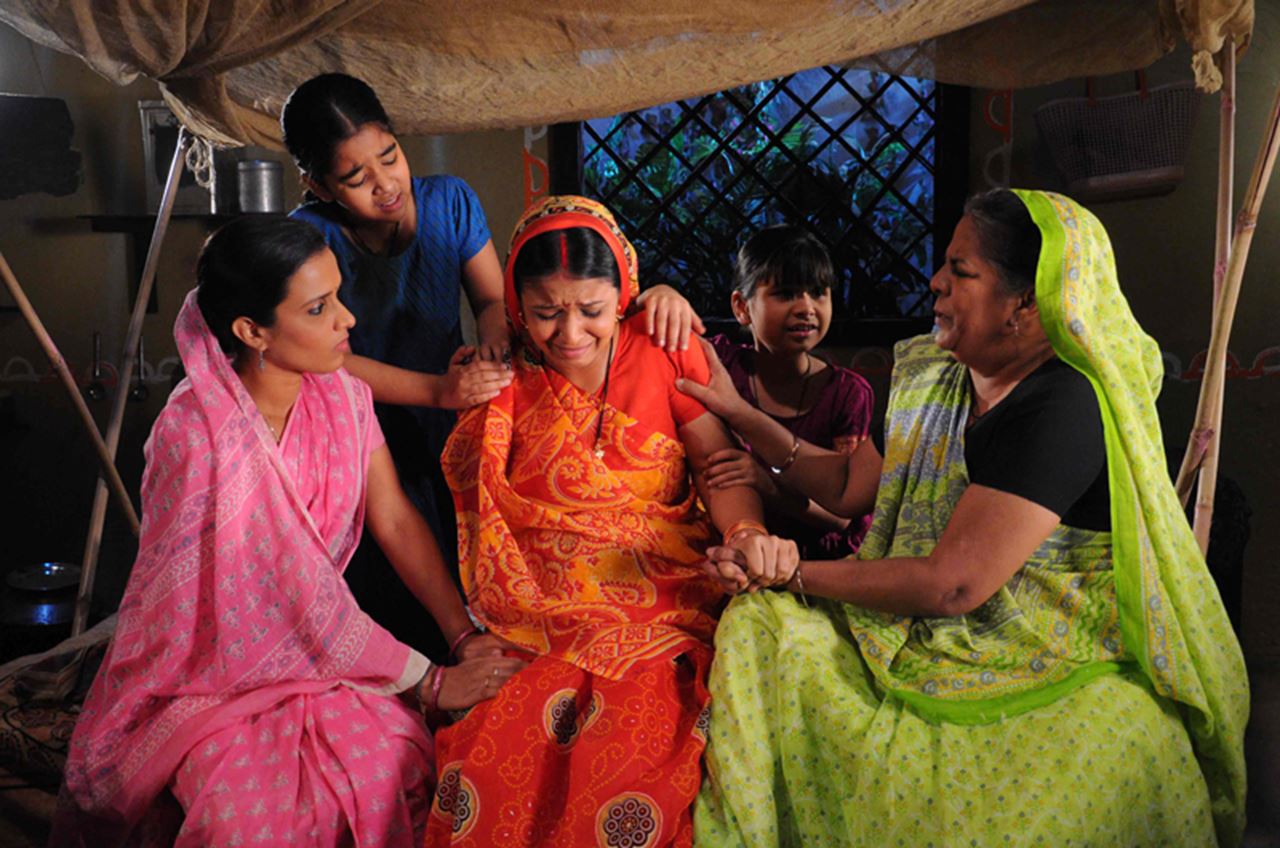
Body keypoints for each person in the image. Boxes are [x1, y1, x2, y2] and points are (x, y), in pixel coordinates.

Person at [680, 190, 1248, 846]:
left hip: (1050, 639)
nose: (936, 282)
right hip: (932, 621)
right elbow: (848, 485)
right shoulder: (944, 378)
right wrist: (741, 414)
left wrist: (792, 572)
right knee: (758, 626)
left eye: (961, 271)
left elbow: (953, 585)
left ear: (1028, 304)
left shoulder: (1063, 404)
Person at [56, 217, 524, 847]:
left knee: (400, 764)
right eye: (319, 307)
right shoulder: (194, 433)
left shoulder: (343, 398)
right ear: (253, 331)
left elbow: (392, 518)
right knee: (245, 820)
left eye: (338, 296)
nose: (347, 321)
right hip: (209, 675)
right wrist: (429, 680)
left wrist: (462, 635)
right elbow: (259, 592)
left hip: (318, 658)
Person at [281, 73, 702, 660]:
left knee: (460, 571)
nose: (385, 186)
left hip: (456, 406)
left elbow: (489, 301)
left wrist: (493, 353)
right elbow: (327, 360)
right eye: (356, 178)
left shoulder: (449, 202)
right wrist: (439, 390)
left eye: (390, 158)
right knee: (386, 599)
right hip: (359, 426)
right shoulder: (310, 240)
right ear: (317, 185)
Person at [424, 196, 797, 847]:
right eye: (545, 313)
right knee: (496, 751)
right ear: (516, 305)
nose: (569, 334)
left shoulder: (663, 348)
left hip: (660, 595)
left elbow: (718, 468)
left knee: (643, 750)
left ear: (622, 295)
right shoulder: (503, 372)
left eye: (591, 311)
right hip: (541, 606)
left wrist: (744, 536)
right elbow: (484, 501)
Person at [706, 225, 874, 559]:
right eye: (785, 294)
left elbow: (842, 518)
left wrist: (765, 484)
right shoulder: (720, 364)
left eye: (818, 292)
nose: (806, 308)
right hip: (729, 549)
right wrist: (662, 294)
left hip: (815, 562)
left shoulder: (847, 394)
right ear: (741, 307)